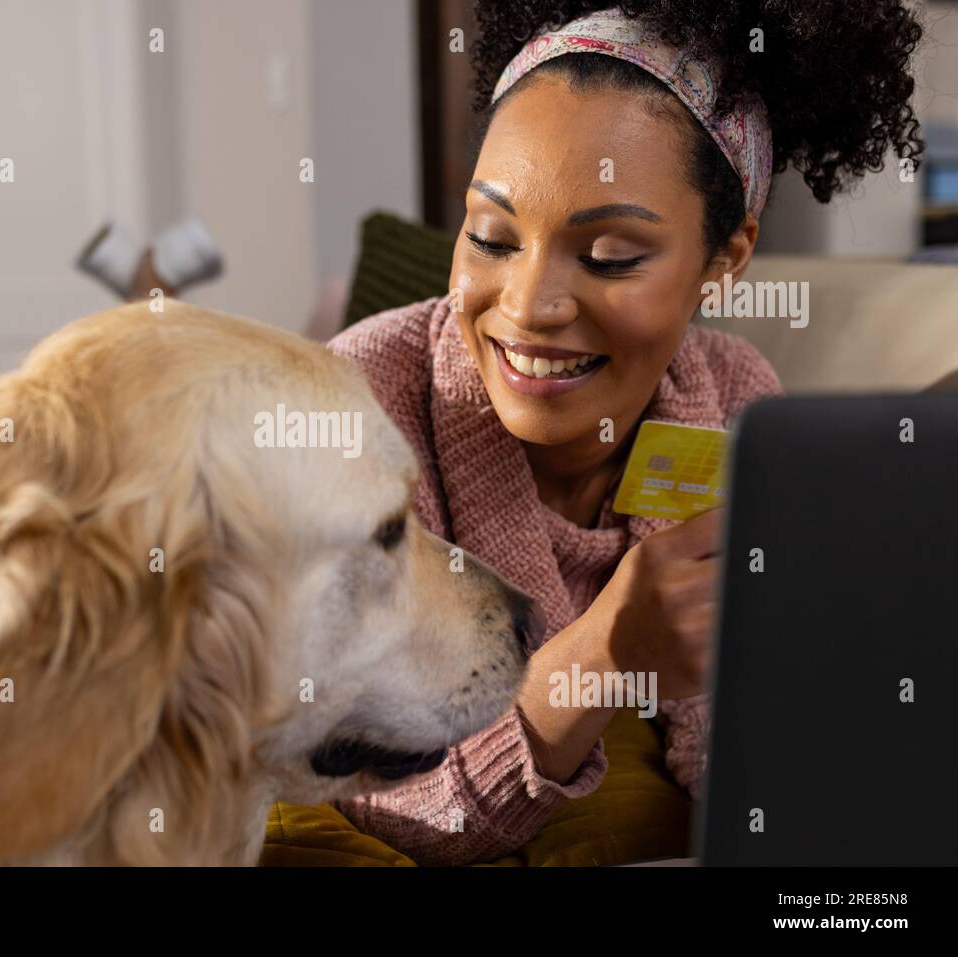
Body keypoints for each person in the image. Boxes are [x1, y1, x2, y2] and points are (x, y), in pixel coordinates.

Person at [326, 0, 924, 866]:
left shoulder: (738, 405)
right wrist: (607, 651)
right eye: (491, 236)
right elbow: (374, 798)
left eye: (609, 257)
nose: (529, 307)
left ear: (726, 260)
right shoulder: (361, 413)